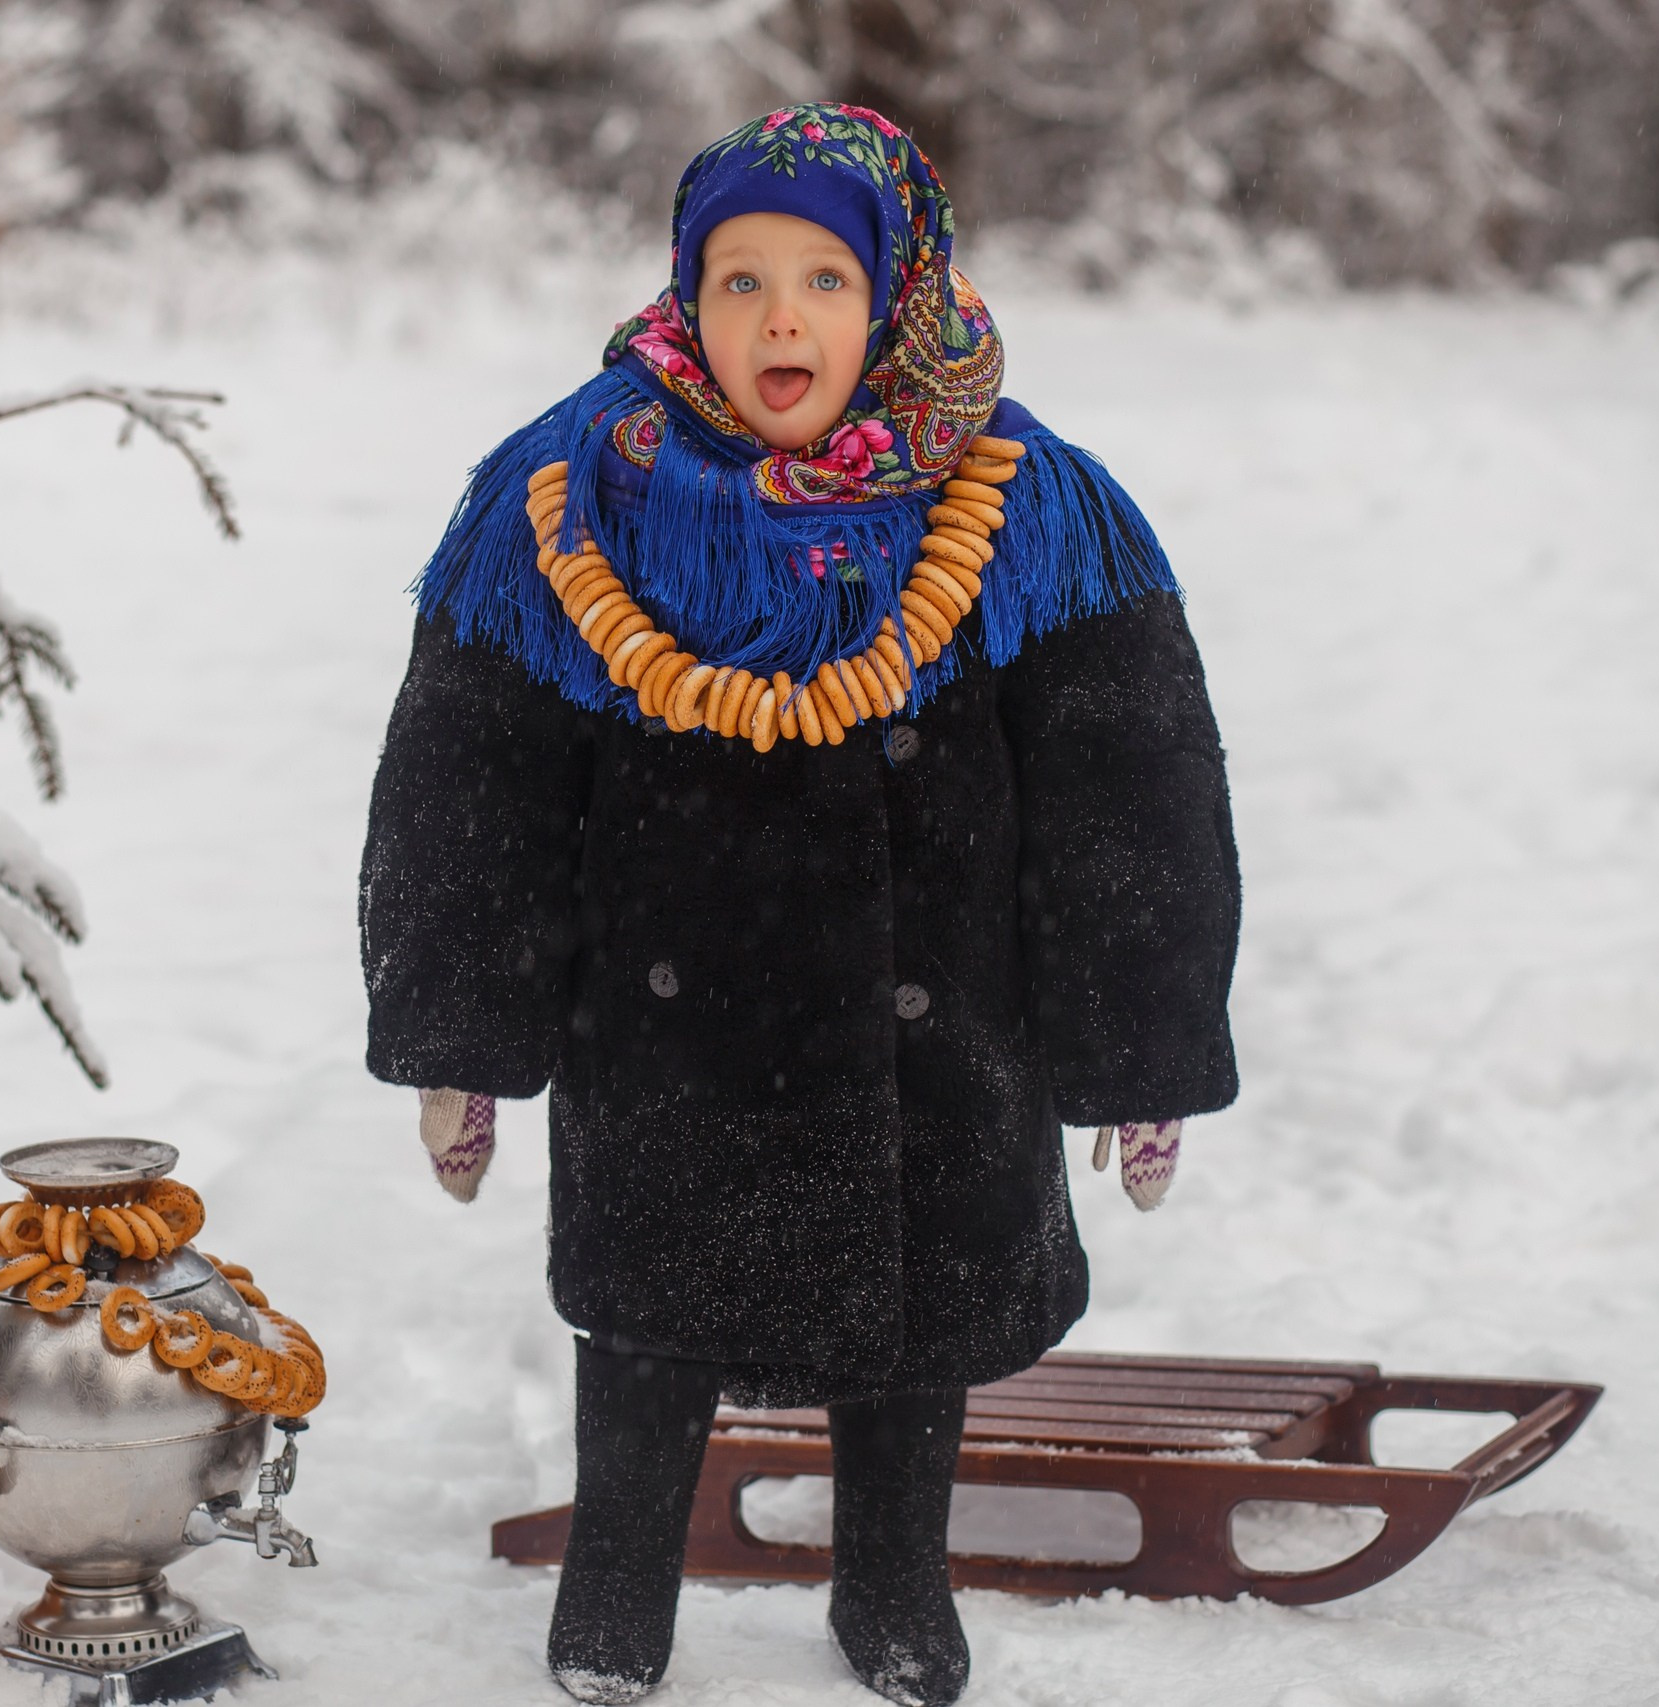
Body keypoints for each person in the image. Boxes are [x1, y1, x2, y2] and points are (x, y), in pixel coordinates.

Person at [359, 103, 1238, 1706]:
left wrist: (1143, 1052)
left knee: (913, 1332)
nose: (780, 319)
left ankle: (896, 1578)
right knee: (648, 1314)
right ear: (684, 295)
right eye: (740, 277)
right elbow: (465, 789)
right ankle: (618, 1582)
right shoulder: (564, 499)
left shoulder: (1036, 509)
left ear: (896, 295)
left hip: (944, 1018)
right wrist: (457, 1038)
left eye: (826, 279)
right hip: (664, 1027)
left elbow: (1134, 800)